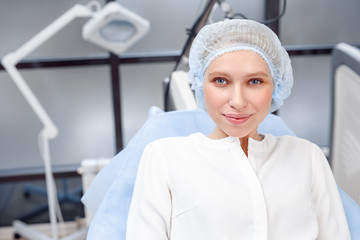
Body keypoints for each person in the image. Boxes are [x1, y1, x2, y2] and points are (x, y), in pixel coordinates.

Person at [125, 19, 351, 240]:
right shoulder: (165, 158)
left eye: (254, 82)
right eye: (221, 81)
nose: (238, 101)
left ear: (276, 86)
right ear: (200, 83)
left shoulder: (307, 156)